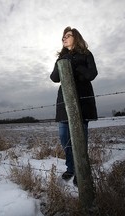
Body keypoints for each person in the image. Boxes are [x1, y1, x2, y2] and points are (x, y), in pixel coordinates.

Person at [50, 26, 98, 186]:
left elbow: (92, 74)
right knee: (65, 138)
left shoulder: (86, 54)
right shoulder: (61, 58)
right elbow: (54, 77)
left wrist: (76, 66)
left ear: (76, 38)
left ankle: (81, 171)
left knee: (80, 139)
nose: (64, 38)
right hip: (64, 102)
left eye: (68, 36)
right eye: (63, 36)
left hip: (82, 101)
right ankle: (71, 167)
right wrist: (62, 63)